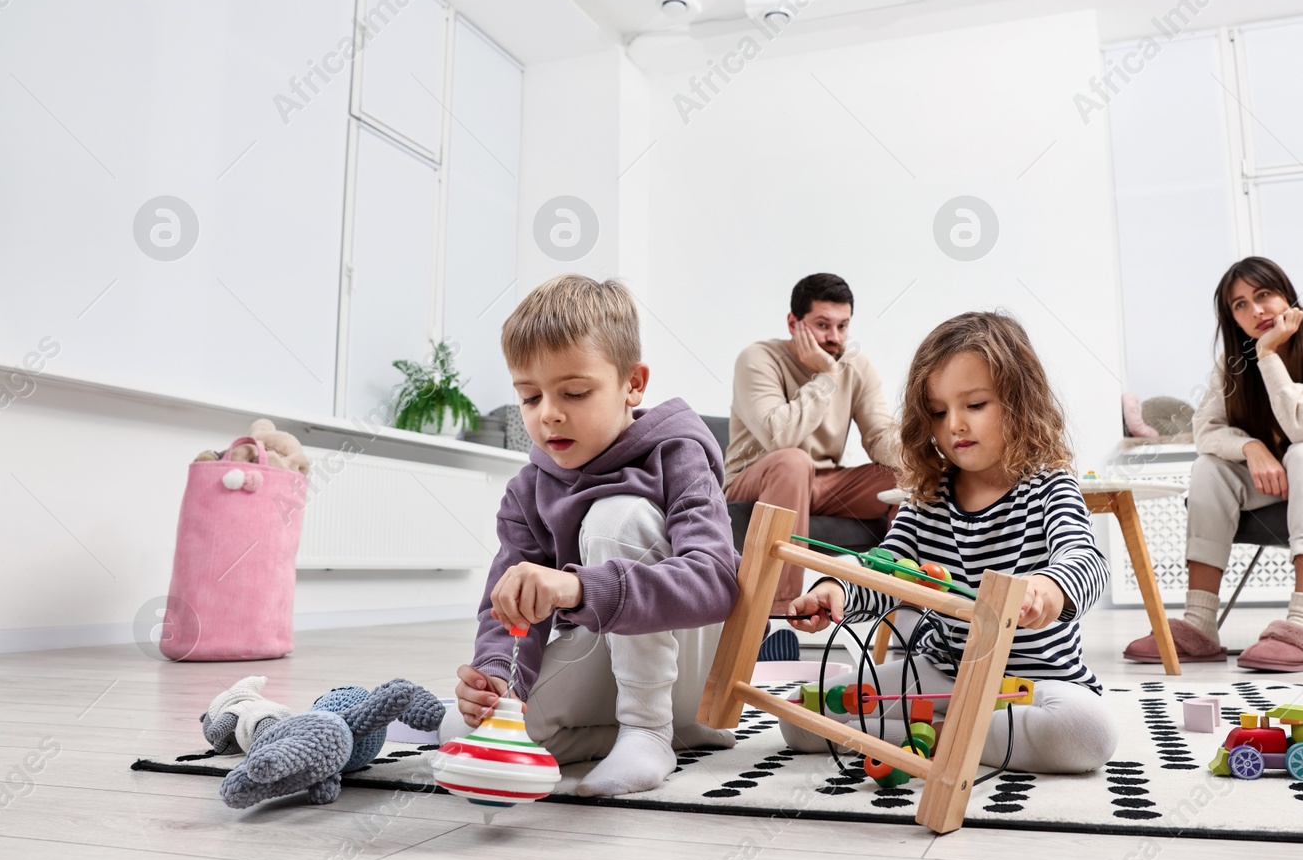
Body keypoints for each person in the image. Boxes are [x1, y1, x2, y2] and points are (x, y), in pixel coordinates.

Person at [781, 311, 1118, 774]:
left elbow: (1085, 558)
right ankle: (951, 734)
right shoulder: (927, 499)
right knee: (802, 715)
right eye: (938, 412)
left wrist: (1048, 588)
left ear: (1021, 402)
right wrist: (838, 591)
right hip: (942, 675)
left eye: (975, 405)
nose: (955, 424)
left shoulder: (1049, 486)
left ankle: (935, 735)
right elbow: (888, 570)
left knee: (1088, 733)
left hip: (1034, 685)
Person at [442, 274, 740, 796]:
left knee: (615, 517)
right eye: (530, 397)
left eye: (575, 392)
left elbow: (716, 581)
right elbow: (504, 607)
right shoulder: (528, 488)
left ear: (633, 384)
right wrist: (496, 679)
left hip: (699, 663)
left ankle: (649, 727)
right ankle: (675, 733)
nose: (549, 413)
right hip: (613, 655)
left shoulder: (677, 454)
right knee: (483, 728)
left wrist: (579, 589)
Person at [1124, 256, 1303, 672]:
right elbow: (1206, 431)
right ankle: (1199, 624)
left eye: (1263, 296)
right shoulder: (1233, 363)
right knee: (1210, 468)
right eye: (1240, 305)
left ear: (1286, 296)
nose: (1255, 311)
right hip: (1301, 470)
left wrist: (1269, 355)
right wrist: (1252, 449)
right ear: (1231, 318)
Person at [724, 273, 900, 616]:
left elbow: (880, 436)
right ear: (794, 322)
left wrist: (925, 455)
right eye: (823, 325)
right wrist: (828, 376)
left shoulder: (856, 364)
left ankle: (907, 597)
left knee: (906, 476)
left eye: (843, 326)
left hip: (824, 484)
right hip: (758, 480)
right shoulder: (757, 359)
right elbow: (780, 438)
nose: (834, 337)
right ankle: (777, 611)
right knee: (793, 461)